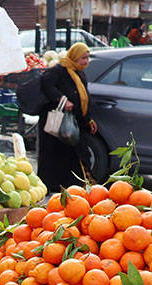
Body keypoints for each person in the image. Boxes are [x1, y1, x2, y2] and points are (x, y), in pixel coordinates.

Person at [37, 42, 97, 191]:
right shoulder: (60, 70)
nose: (86, 61)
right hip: (57, 125)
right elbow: (46, 84)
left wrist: (88, 119)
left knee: (74, 157)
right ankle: (51, 188)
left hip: (73, 124)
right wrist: (62, 99)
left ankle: (73, 188)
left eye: (87, 58)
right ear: (74, 56)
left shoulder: (79, 73)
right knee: (54, 157)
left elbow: (83, 99)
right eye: (83, 58)